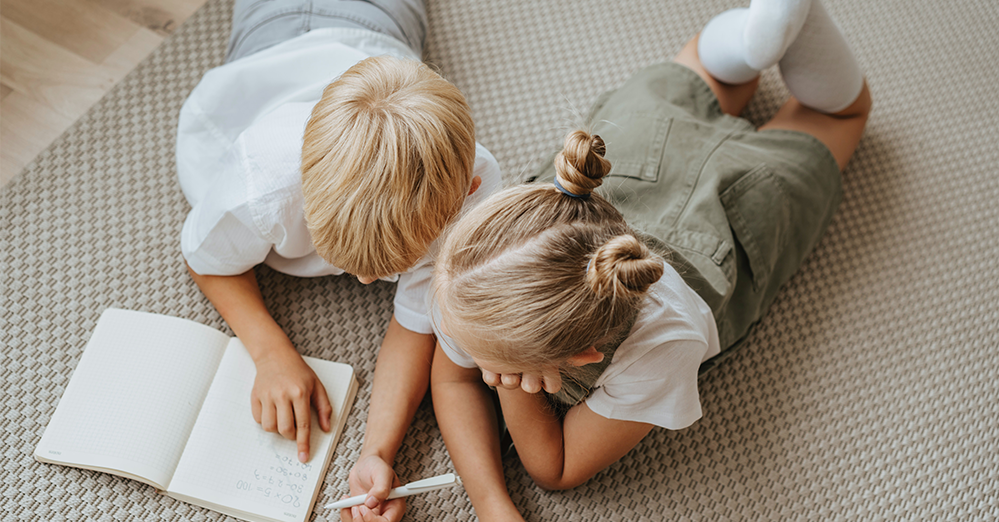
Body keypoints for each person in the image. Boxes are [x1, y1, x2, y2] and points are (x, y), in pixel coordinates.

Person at [428, 0, 872, 520]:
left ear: (584, 357)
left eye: (487, 364)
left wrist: (510, 387)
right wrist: (491, 502)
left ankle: (765, 38)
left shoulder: (663, 346)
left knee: (841, 113)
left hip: (732, 217)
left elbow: (555, 467)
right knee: (701, 74)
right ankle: (754, 41)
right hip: (636, 153)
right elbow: (452, 378)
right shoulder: (478, 277)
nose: (462, 354)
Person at [174, 1, 501, 521]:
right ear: (303, 193)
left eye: (387, 267)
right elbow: (205, 258)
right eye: (347, 261)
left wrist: (378, 452)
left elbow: (416, 321)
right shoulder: (263, 182)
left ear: (467, 193)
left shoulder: (474, 195)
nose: (368, 280)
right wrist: (269, 350)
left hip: (384, 23)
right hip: (277, 29)